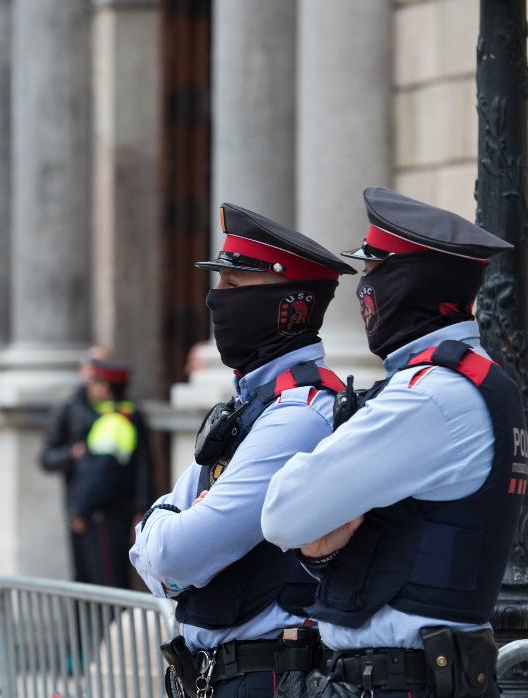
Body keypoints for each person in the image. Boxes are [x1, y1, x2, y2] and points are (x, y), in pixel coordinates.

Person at [261, 188, 526, 698]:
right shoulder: (475, 381)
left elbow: (282, 512)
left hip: (400, 680)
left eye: (372, 271)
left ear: (408, 282)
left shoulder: (429, 396)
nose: (363, 290)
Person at [130, 203, 356, 698]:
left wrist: (166, 544)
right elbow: (154, 548)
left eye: (235, 286)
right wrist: (165, 547)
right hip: (219, 676)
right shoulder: (251, 406)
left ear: (288, 304)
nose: (218, 300)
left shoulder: (299, 415)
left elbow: (175, 552)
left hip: (267, 677)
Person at [40, 347, 152, 586]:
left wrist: (80, 510)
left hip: (100, 514)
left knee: (105, 584)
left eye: (95, 381)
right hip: (94, 511)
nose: (90, 386)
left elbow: (100, 475)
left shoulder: (114, 421)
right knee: (91, 581)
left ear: (105, 387)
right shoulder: (109, 415)